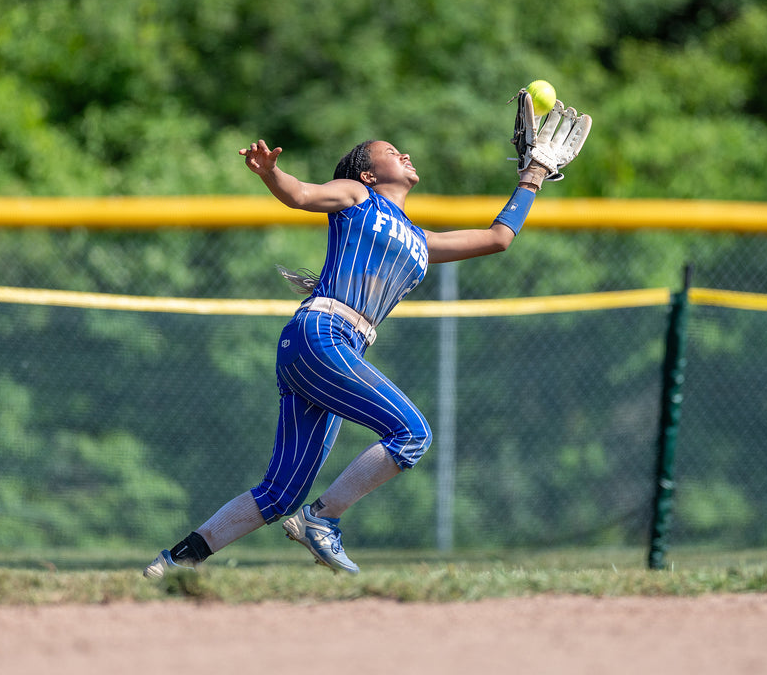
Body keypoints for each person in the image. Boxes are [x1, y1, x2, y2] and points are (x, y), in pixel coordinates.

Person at [144, 92, 589, 577]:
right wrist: (270, 173)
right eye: (391, 150)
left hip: (328, 349)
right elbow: (301, 195)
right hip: (322, 333)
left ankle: (173, 563)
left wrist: (534, 175)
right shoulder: (357, 197)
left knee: (279, 493)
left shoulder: (421, 240)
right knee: (412, 434)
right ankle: (322, 520)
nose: (405, 154)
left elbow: (498, 238)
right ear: (368, 173)